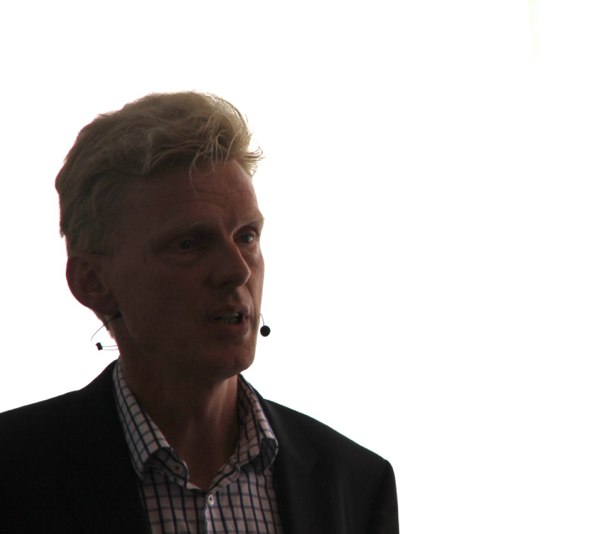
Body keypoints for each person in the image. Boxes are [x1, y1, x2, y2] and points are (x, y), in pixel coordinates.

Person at [0, 92, 399, 534]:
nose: (237, 270)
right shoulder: (15, 472)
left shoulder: (355, 484)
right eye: (189, 243)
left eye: (246, 236)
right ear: (93, 282)